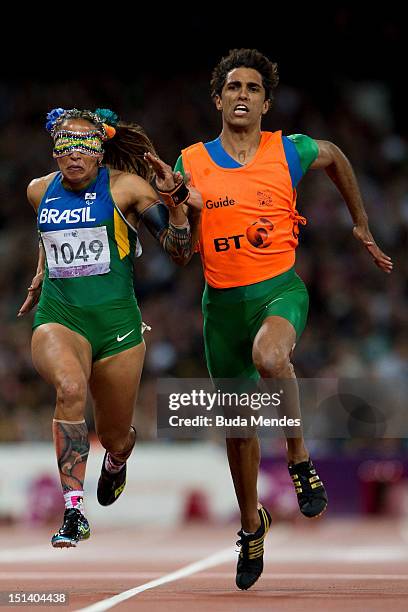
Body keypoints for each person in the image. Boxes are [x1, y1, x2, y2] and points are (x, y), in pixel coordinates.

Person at [146, 48, 393, 590]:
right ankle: (252, 525)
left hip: (279, 291)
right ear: (218, 99)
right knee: (239, 429)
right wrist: (179, 215)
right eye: (233, 87)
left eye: (253, 88)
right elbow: (180, 254)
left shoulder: (290, 151)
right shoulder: (189, 162)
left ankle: (300, 459)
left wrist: (360, 223)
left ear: (265, 101)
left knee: (271, 356)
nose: (242, 95)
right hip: (221, 306)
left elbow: (334, 155)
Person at [18, 107, 201, 548]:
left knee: (116, 436)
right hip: (60, 319)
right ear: (54, 149)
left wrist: (175, 207)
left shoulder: (126, 188)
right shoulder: (39, 190)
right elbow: (52, 237)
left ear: (101, 151)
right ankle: (74, 510)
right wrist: (42, 272)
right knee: (69, 389)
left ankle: (116, 462)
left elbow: (180, 253)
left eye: (85, 145)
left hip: (118, 328)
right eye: (66, 144)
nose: (74, 153)